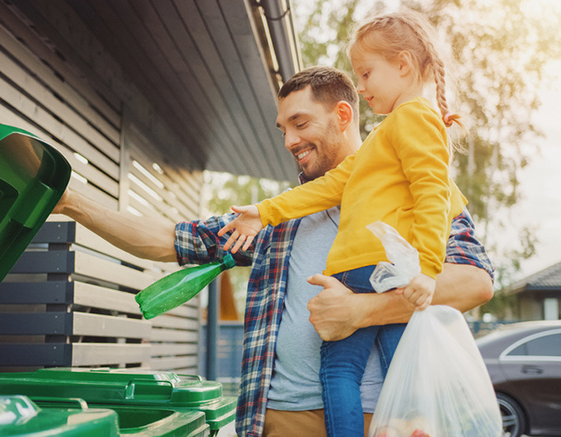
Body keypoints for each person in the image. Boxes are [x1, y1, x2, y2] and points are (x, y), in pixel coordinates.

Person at [52, 66, 494, 437]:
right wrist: (73, 203)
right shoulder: (278, 217)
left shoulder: (417, 188)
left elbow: (474, 283)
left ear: (343, 115)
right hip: (279, 419)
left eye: (301, 124)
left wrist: (361, 311)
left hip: (380, 420)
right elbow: (172, 240)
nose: (289, 141)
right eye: (283, 129)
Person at [218, 11, 474, 437]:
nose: (361, 86)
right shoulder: (385, 135)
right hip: (366, 272)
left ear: (404, 65)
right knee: (394, 368)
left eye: (367, 73)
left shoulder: (414, 118)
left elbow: (434, 194)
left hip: (378, 271)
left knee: (344, 371)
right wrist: (264, 212)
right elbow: (329, 186)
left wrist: (428, 269)